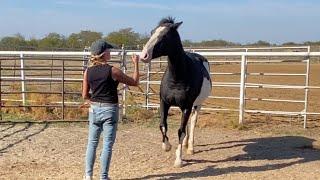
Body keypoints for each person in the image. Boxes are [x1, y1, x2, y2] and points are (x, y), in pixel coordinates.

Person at [82, 39, 140, 180]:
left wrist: (93, 100)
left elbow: (84, 95)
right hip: (110, 110)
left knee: (92, 143)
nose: (110, 52)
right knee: (107, 145)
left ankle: (88, 175)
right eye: (108, 50)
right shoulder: (113, 70)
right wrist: (136, 64)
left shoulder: (88, 72)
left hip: (94, 110)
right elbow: (135, 82)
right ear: (104, 54)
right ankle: (103, 177)